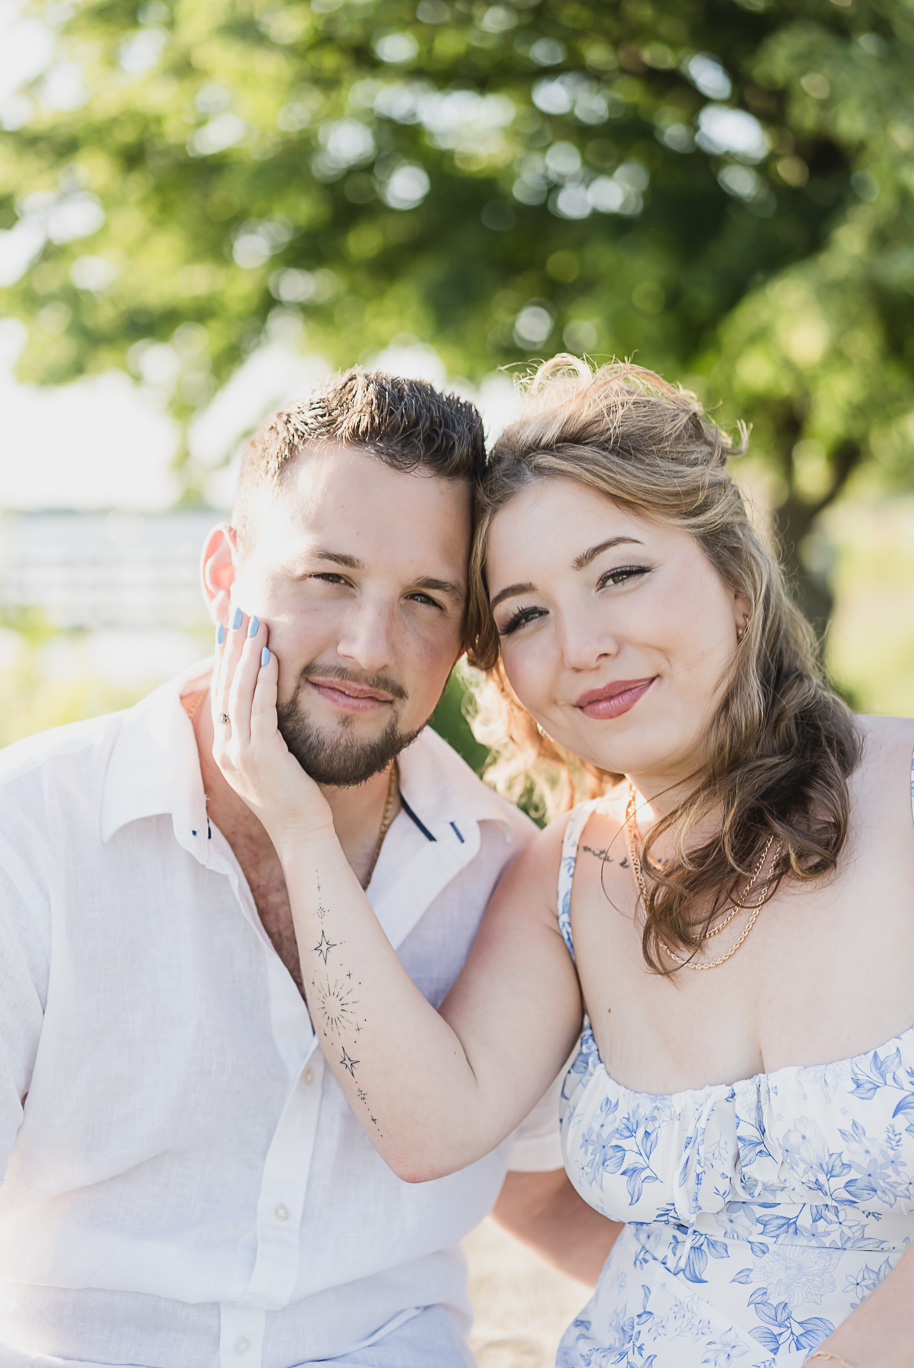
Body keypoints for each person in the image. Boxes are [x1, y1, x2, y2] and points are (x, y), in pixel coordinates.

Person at [213, 357, 914, 1367]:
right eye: (525, 615)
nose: (581, 644)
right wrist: (300, 833)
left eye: (618, 573)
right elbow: (433, 1129)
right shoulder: (560, 883)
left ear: (732, 580)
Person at [0, 367, 617, 1368]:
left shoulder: (503, 875)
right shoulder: (32, 829)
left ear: (466, 635)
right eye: (328, 578)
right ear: (221, 574)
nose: (369, 647)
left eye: (424, 598)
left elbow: (535, 1183)